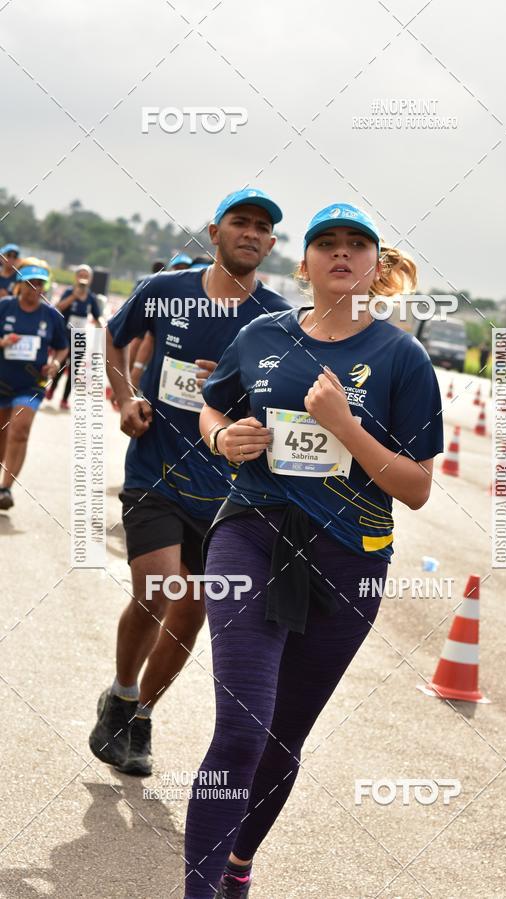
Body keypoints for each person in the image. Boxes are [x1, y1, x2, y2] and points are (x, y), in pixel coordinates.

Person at [183, 203, 444, 898]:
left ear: (374, 265)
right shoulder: (262, 335)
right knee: (242, 729)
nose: (341, 253)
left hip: (350, 557)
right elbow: (213, 404)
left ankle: (238, 863)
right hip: (252, 532)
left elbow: (416, 487)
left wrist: (346, 427)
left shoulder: (403, 357)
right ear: (303, 263)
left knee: (280, 740)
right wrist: (221, 436)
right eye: (326, 242)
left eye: (357, 243)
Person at [88, 187, 290, 778]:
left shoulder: (278, 319)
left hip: (228, 489)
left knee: (192, 611)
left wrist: (235, 390)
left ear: (271, 243)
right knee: (157, 588)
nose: (251, 233)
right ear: (215, 231)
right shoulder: (164, 289)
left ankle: (140, 715)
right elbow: (115, 337)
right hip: (156, 468)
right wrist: (126, 396)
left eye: (262, 228)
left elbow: (288, 402)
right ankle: (122, 692)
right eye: (240, 222)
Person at [0, 260, 68, 510]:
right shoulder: (5, 307)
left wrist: (55, 363)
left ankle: (5, 488)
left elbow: (62, 347)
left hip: (31, 384)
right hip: (2, 380)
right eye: (30, 284)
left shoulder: (51, 315)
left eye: (40, 284)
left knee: (20, 430)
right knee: (2, 432)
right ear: (20, 285)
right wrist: (3, 342)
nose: (35, 289)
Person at [46, 264, 102, 409]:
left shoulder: (91, 297)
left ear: (90, 279)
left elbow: (97, 317)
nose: (83, 278)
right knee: (60, 365)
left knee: (74, 369)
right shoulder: (69, 292)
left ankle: (65, 399)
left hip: (79, 338)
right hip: (64, 336)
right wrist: (74, 296)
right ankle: (52, 389)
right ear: (76, 277)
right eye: (80, 275)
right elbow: (58, 308)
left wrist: (104, 329)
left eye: (86, 276)